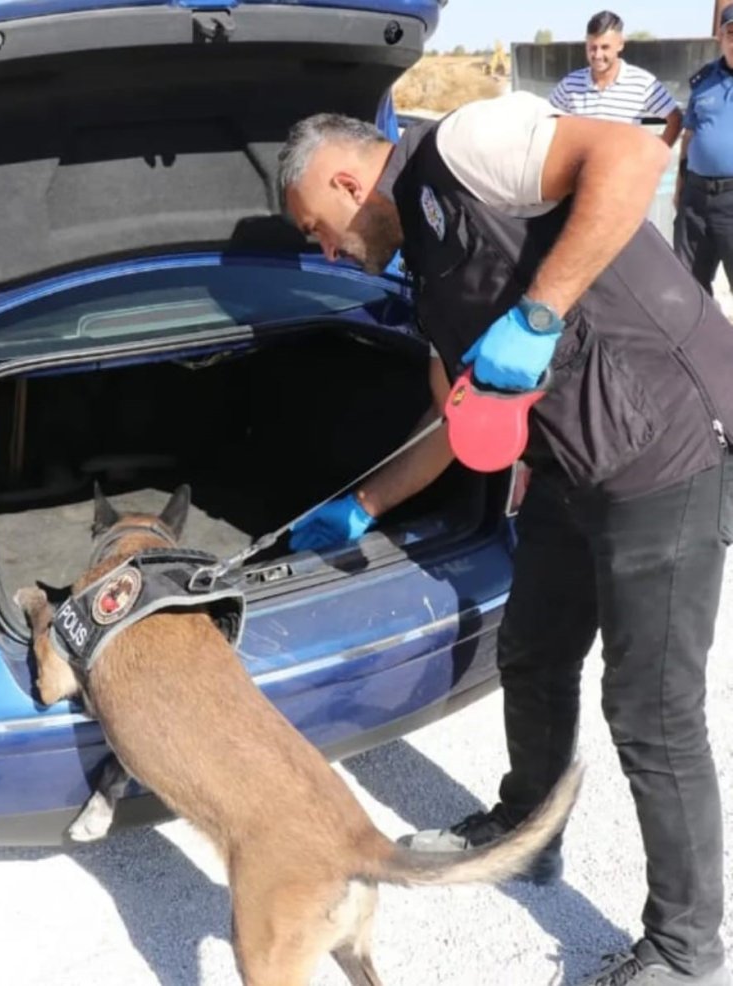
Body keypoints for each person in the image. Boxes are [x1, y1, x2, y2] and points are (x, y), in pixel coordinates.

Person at [278, 90, 733, 986]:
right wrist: (361, 506)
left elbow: (633, 159)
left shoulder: (464, 146)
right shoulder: (423, 267)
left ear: (344, 182)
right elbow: (457, 420)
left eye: (316, 230)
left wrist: (538, 314)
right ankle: (528, 833)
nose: (326, 251)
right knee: (532, 652)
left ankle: (687, 951)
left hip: (670, 447)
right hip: (573, 462)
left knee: (650, 708)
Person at [549, 10, 683, 146]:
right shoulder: (570, 84)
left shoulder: (642, 83)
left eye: (605, 47)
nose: (597, 55)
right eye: (592, 48)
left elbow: (675, 119)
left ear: (620, 44)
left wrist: (655, 156)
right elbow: (546, 119)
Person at [673, 5, 733, 297]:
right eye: (731, 34)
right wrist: (680, 185)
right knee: (688, 284)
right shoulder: (703, 82)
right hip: (695, 198)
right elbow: (689, 135)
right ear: (720, 38)